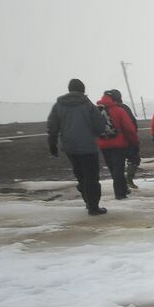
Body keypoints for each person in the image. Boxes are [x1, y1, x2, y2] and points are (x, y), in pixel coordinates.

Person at [46, 78, 109, 215]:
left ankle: (87, 200)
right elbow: (99, 124)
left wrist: (52, 143)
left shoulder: (59, 105)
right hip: (88, 146)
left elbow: (52, 125)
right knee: (91, 177)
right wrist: (98, 132)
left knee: (81, 175)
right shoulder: (87, 105)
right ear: (83, 89)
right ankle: (93, 206)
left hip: (70, 147)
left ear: (69, 89)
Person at [97, 90, 140, 200]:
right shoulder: (119, 110)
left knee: (112, 168)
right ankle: (120, 192)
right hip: (118, 143)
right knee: (118, 169)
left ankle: (122, 189)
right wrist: (134, 142)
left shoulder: (97, 110)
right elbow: (129, 128)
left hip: (103, 144)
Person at [105, 90, 142, 190]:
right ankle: (127, 181)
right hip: (124, 141)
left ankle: (120, 187)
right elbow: (131, 125)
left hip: (105, 143)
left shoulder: (100, 109)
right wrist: (134, 141)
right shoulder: (122, 108)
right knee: (133, 159)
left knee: (114, 166)